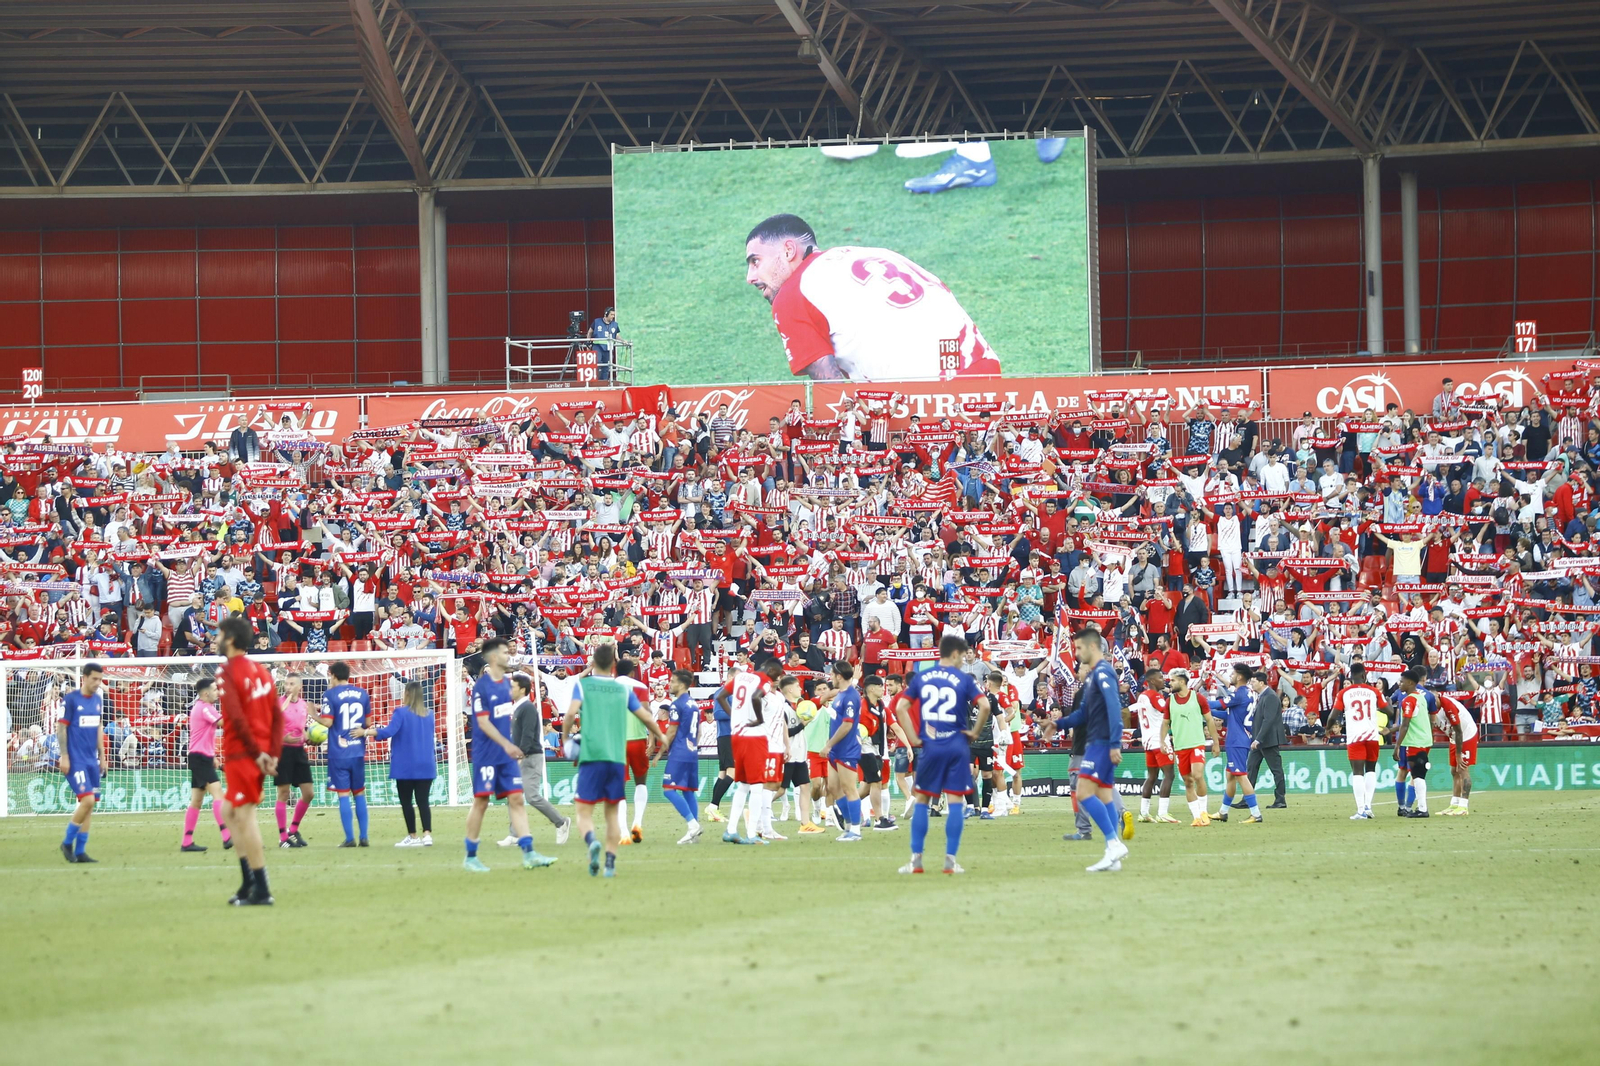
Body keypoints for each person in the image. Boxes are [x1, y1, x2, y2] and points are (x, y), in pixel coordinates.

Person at [743, 213, 1000, 382]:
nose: (750, 277)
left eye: (756, 261)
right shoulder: (875, 253)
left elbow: (831, 389)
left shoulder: (791, 295)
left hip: (927, 399)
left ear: (788, 250)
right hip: (982, 367)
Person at [561, 643, 667, 878]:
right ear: (613, 664)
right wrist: (660, 736)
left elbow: (570, 714)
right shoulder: (624, 690)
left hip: (591, 754)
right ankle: (610, 860)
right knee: (611, 812)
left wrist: (566, 738)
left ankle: (591, 842)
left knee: (584, 811)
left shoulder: (583, 684)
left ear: (593, 663)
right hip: (616, 756)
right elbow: (646, 716)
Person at [892, 633, 991, 875]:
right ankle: (949, 860)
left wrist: (914, 738)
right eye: (962, 656)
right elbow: (985, 706)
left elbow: (900, 707)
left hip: (931, 745)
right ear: (955, 654)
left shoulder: (923, 677)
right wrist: (974, 732)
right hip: (957, 745)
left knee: (923, 802)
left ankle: (916, 860)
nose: (963, 661)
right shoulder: (963, 678)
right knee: (956, 802)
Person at [463, 637, 555, 872]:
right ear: (493, 657)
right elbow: (483, 723)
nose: (509, 655)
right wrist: (508, 744)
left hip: (506, 754)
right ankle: (471, 856)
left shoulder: (507, 686)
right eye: (505, 652)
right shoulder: (482, 687)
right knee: (481, 801)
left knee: (516, 799)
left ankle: (529, 853)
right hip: (487, 754)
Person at [215, 615, 284, 906]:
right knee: (229, 811)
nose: (215, 639)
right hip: (259, 752)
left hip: (244, 753)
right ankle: (247, 884)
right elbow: (277, 716)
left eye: (219, 634)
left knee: (244, 816)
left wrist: (258, 755)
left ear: (230, 639)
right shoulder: (262, 671)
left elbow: (236, 717)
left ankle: (262, 889)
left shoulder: (227, 671)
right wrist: (273, 754)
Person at [1058, 628, 1131, 871]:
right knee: (1105, 795)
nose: (1076, 654)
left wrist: (1114, 743)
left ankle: (1113, 843)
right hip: (1095, 742)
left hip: (1100, 743)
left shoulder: (1103, 673)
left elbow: (1114, 708)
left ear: (1091, 647)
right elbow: (1082, 714)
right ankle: (1113, 854)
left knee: (1083, 793)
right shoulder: (1091, 678)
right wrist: (1057, 724)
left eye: (1078, 648)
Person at [715, 657, 784, 845]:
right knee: (756, 786)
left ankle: (731, 830)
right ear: (770, 671)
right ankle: (752, 833)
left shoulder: (741, 678)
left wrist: (734, 715)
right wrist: (760, 719)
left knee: (743, 784)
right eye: (776, 676)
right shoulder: (764, 681)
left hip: (736, 735)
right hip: (755, 736)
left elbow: (720, 696)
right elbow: (756, 697)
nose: (776, 680)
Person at [508, 671, 570, 849]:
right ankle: (515, 834)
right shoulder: (518, 707)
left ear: (522, 689)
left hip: (531, 756)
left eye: (513, 687)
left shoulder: (527, 708)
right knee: (514, 794)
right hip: (523, 755)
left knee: (532, 796)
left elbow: (528, 734)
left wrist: (520, 755)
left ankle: (561, 822)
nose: (509, 689)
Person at [374, 680, 438, 847]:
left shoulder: (400, 713)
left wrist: (367, 731)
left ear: (408, 694)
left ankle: (413, 836)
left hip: (406, 765)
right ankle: (427, 835)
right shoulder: (430, 714)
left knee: (406, 801)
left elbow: (389, 731)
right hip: (426, 764)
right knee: (423, 800)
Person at [319, 662, 374, 848]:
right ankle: (364, 836)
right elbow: (368, 722)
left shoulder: (330, 695)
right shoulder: (362, 693)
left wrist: (313, 713)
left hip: (338, 752)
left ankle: (350, 838)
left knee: (343, 795)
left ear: (333, 675)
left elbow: (327, 723)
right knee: (359, 793)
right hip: (357, 750)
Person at [57, 662, 105, 864]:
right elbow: (61, 729)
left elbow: (98, 728)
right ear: (84, 677)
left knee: (90, 805)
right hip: (75, 760)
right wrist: (64, 755)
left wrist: (103, 756)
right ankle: (67, 843)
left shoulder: (97, 700)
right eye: (94, 679)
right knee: (86, 800)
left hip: (91, 760)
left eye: (100, 679)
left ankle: (81, 851)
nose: (97, 683)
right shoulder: (70, 700)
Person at [179, 677, 232, 853]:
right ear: (206, 693)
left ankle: (187, 841)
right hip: (200, 758)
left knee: (196, 801)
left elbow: (204, 736)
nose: (218, 692)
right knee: (218, 795)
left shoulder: (202, 708)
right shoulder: (204, 708)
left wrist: (213, 756)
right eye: (216, 689)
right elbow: (222, 723)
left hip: (201, 756)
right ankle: (227, 836)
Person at [1210, 664, 1263, 823]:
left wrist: (1196, 700)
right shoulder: (1249, 693)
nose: (1231, 676)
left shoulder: (1239, 694)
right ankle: (1223, 812)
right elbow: (1228, 714)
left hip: (1237, 740)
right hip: (1241, 737)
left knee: (1240, 776)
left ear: (1240, 677)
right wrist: (1207, 710)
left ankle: (1256, 813)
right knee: (1231, 776)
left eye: (1233, 673)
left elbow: (1219, 704)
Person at [821, 660, 866, 841]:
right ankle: (849, 825)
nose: (830, 677)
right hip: (836, 750)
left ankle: (856, 829)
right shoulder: (841, 693)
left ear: (839, 676)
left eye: (832, 674)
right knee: (833, 787)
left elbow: (847, 725)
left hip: (846, 749)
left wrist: (829, 744)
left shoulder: (850, 697)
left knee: (849, 788)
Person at [658, 669, 704, 844]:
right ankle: (695, 831)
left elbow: (671, 732)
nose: (670, 684)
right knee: (688, 791)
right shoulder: (694, 704)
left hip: (679, 752)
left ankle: (693, 825)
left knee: (669, 790)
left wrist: (660, 753)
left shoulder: (676, 704)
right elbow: (699, 731)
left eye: (673, 681)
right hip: (692, 751)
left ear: (682, 685)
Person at [1333, 663, 1384, 820]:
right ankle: (1368, 807)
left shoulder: (1344, 693)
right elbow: (1388, 709)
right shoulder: (1373, 691)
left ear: (1351, 676)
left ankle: (1361, 809)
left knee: (1357, 773)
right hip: (1372, 736)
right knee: (1370, 770)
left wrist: (1328, 728)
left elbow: (1333, 715)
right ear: (1364, 675)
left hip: (1355, 736)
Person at [1165, 668, 1215, 826]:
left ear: (1181, 681)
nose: (1170, 683)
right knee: (1188, 782)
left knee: (1198, 775)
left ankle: (1203, 811)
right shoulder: (1169, 701)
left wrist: (1216, 742)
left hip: (1196, 744)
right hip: (1180, 747)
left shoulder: (1198, 698)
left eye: (1172, 680)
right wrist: (1161, 741)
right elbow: (1165, 723)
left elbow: (1210, 720)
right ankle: (1197, 817)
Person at [1131, 668, 1178, 823]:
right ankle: (1162, 812)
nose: (1163, 679)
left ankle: (1144, 813)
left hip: (1147, 740)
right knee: (1169, 775)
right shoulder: (1155, 695)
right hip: (1159, 740)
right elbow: (1166, 710)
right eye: (1159, 678)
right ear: (1151, 681)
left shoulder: (1143, 696)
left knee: (1152, 776)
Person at [273, 674, 314, 848]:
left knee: (309, 793)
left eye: (291, 684)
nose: (288, 687)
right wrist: (284, 738)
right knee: (283, 793)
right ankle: (283, 837)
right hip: (282, 750)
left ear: (299, 687)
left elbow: (301, 729)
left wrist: (309, 738)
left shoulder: (304, 705)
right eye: (286, 684)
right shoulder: (279, 703)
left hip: (299, 751)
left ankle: (293, 829)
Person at [1395, 668, 1436, 818]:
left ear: (1410, 682)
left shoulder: (1409, 700)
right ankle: (1421, 807)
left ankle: (1423, 809)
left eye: (1402, 681)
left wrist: (1397, 746)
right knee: (1418, 775)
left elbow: (1405, 724)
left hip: (1415, 741)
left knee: (1417, 775)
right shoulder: (1421, 698)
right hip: (1425, 740)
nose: (1400, 684)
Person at [1246, 672, 1287, 809]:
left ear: (1262, 683)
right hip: (1260, 741)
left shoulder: (1270, 696)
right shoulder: (1263, 696)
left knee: (1276, 770)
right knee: (1251, 767)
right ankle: (1247, 798)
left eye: (1253, 681)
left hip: (1267, 740)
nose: (1251, 684)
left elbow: (1268, 720)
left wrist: (1258, 739)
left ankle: (1280, 799)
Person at [1436, 687, 1478, 816]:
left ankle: (1463, 806)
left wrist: (1459, 755)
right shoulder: (1430, 709)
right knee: (1454, 771)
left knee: (1462, 769)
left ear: (1438, 695)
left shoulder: (1448, 705)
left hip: (1466, 735)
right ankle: (1454, 804)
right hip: (1454, 737)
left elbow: (1459, 731)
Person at [588, 306, 620, 381]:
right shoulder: (597, 322)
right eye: (611, 314)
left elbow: (617, 335)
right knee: (597, 362)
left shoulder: (615, 324)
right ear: (606, 314)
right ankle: (595, 380)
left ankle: (604, 381)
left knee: (607, 365)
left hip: (608, 347)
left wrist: (623, 341)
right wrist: (588, 342)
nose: (613, 316)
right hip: (597, 346)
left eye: (614, 315)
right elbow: (590, 332)